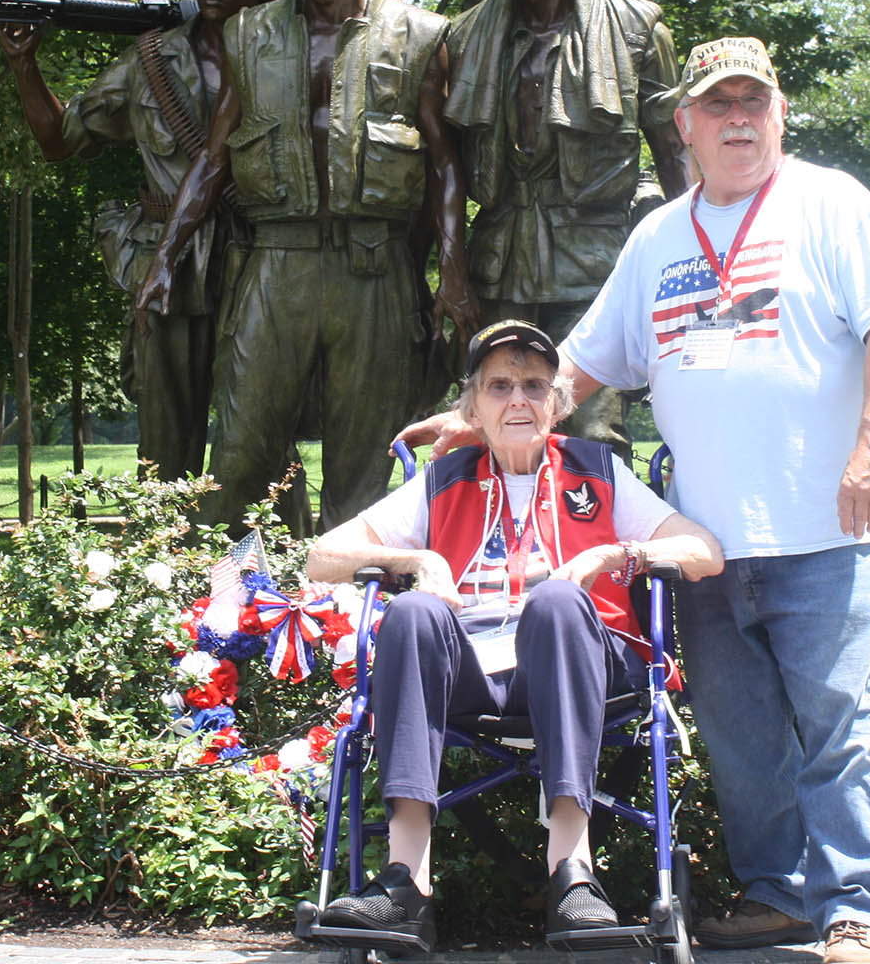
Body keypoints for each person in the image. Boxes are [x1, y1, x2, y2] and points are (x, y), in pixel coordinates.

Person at [401, 37, 870, 963]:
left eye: (751, 104)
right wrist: (479, 420)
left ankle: (853, 908)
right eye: (715, 106)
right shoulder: (659, 237)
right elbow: (582, 363)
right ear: (682, 125)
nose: (735, 121)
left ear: (779, 114)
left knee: (838, 719)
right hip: (706, 540)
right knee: (741, 734)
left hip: (822, 525)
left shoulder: (831, 205)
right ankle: (778, 895)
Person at [307, 320, 723, 950]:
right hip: (471, 672)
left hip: (576, 659)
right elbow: (323, 556)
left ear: (556, 403)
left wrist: (616, 557)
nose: (518, 400)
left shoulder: (597, 470)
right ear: (472, 408)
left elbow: (705, 552)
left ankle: (572, 874)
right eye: (499, 386)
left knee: (557, 600)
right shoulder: (446, 479)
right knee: (415, 614)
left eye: (534, 385)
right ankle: (404, 883)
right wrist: (418, 563)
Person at [137, 0, 480, 530]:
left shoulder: (419, 36)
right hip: (276, 266)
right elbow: (213, 158)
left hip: (374, 273)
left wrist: (453, 274)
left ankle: (358, 615)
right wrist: (163, 257)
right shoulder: (250, 33)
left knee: (366, 461)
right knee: (239, 449)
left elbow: (443, 162)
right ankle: (232, 611)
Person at [0, 0, 288, 481]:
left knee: (262, 431)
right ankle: (163, 558)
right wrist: (24, 66)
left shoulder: (289, 60)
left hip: (262, 257)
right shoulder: (149, 62)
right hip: (170, 263)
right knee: (165, 440)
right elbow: (61, 140)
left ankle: (272, 560)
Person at [443, 0, 691, 452]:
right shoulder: (469, 35)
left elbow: (673, 150)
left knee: (591, 429)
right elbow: (446, 165)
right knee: (491, 423)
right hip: (501, 261)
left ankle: (602, 540)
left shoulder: (635, 30)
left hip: (595, 266)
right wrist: (450, 271)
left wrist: (693, 265)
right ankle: (501, 540)